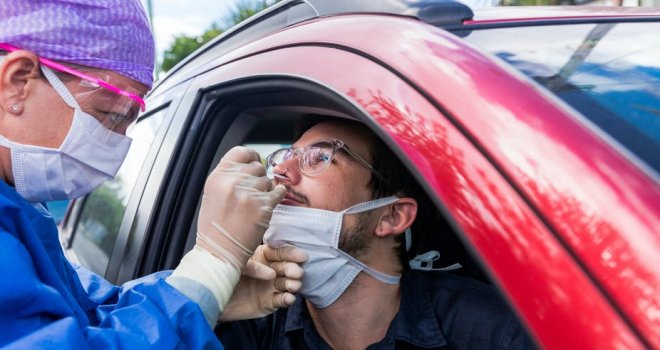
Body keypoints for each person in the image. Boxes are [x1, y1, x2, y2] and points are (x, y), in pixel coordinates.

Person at [0, 1, 306, 348]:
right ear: (18, 81)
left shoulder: (21, 212)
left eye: (130, 120)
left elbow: (84, 310)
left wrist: (207, 291)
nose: (117, 143)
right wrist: (212, 264)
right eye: (110, 113)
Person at [217, 117, 537, 349]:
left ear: (392, 216)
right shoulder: (249, 322)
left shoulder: (492, 332)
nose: (282, 171)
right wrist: (207, 301)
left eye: (321, 157)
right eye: (286, 156)